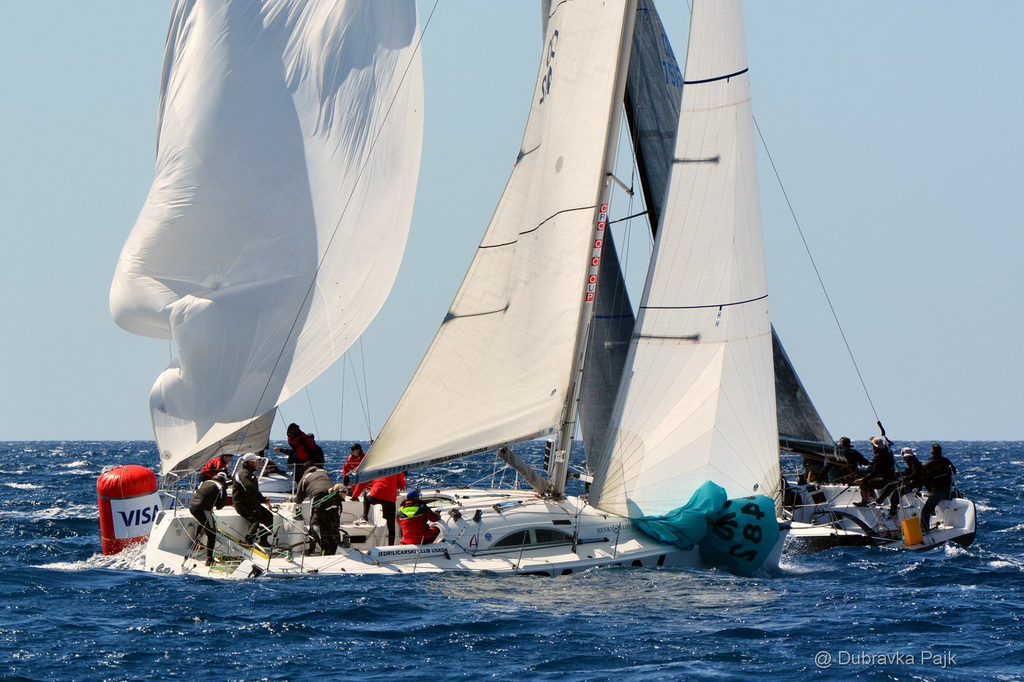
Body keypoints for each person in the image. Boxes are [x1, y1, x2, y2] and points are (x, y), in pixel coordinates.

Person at [292, 464, 342, 556]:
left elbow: (299, 498)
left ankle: (312, 550)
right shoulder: (324, 472)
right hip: (333, 494)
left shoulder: (305, 478)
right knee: (331, 519)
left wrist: (293, 500)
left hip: (317, 496)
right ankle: (333, 547)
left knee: (314, 521)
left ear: (305, 470)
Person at [350, 471, 406, 545]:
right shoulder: (395, 469)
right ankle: (391, 545)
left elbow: (363, 483)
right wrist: (391, 486)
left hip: (376, 494)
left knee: (366, 496)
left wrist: (354, 496)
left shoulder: (376, 468)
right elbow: (402, 484)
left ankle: (365, 517)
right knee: (391, 525)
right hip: (390, 498)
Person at [232, 454, 275, 549]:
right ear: (251, 462)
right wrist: (263, 500)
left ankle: (263, 541)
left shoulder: (249, 473)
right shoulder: (243, 474)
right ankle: (248, 541)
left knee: (268, 516)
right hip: (243, 504)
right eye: (256, 461)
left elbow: (252, 491)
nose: (257, 462)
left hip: (251, 503)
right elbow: (250, 488)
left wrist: (263, 499)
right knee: (257, 520)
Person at [189, 471, 229, 565]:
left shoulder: (206, 482)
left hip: (192, 507)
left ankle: (195, 544)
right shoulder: (220, 486)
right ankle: (209, 559)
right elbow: (220, 506)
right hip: (203, 509)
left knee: (202, 523)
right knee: (211, 534)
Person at [919, 443, 958, 534]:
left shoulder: (928, 464)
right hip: (949, 491)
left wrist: (930, 490)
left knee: (925, 511)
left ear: (932, 452)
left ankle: (924, 530)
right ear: (940, 452)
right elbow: (954, 472)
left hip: (937, 492)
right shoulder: (946, 461)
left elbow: (923, 479)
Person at [876, 448, 924, 516]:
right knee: (890, 485)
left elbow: (915, 475)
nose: (903, 458)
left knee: (896, 493)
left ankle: (892, 513)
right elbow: (908, 473)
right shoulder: (910, 462)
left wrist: (906, 477)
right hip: (907, 482)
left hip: (914, 485)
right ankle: (879, 500)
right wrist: (900, 473)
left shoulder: (915, 464)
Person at [854, 436, 897, 506]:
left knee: (865, 482)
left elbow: (875, 472)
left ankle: (864, 501)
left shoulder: (879, 456)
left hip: (887, 481)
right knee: (869, 479)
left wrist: (862, 479)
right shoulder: (887, 453)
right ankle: (871, 497)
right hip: (892, 479)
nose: (872, 447)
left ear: (875, 446)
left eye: (872, 445)